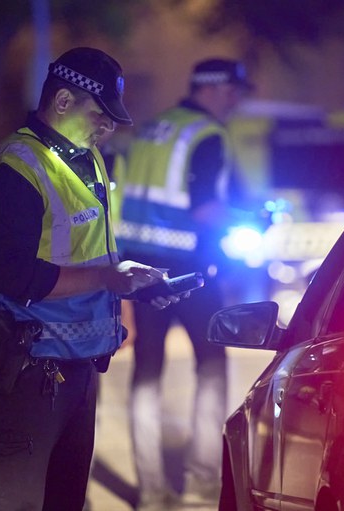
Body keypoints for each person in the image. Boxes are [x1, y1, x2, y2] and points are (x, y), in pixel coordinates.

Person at [0, 47, 181, 511]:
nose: (108, 128)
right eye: (100, 115)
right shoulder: (12, 171)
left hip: (76, 369)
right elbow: (17, 277)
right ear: (62, 101)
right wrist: (108, 278)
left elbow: (88, 254)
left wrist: (130, 284)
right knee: (10, 503)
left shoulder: (86, 160)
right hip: (23, 372)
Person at [116, 58, 253, 510]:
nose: (236, 102)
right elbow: (206, 210)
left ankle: (150, 491)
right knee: (212, 365)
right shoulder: (207, 135)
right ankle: (202, 481)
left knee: (146, 373)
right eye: (233, 92)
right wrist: (252, 219)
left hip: (140, 270)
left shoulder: (152, 130)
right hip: (191, 271)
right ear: (213, 89)